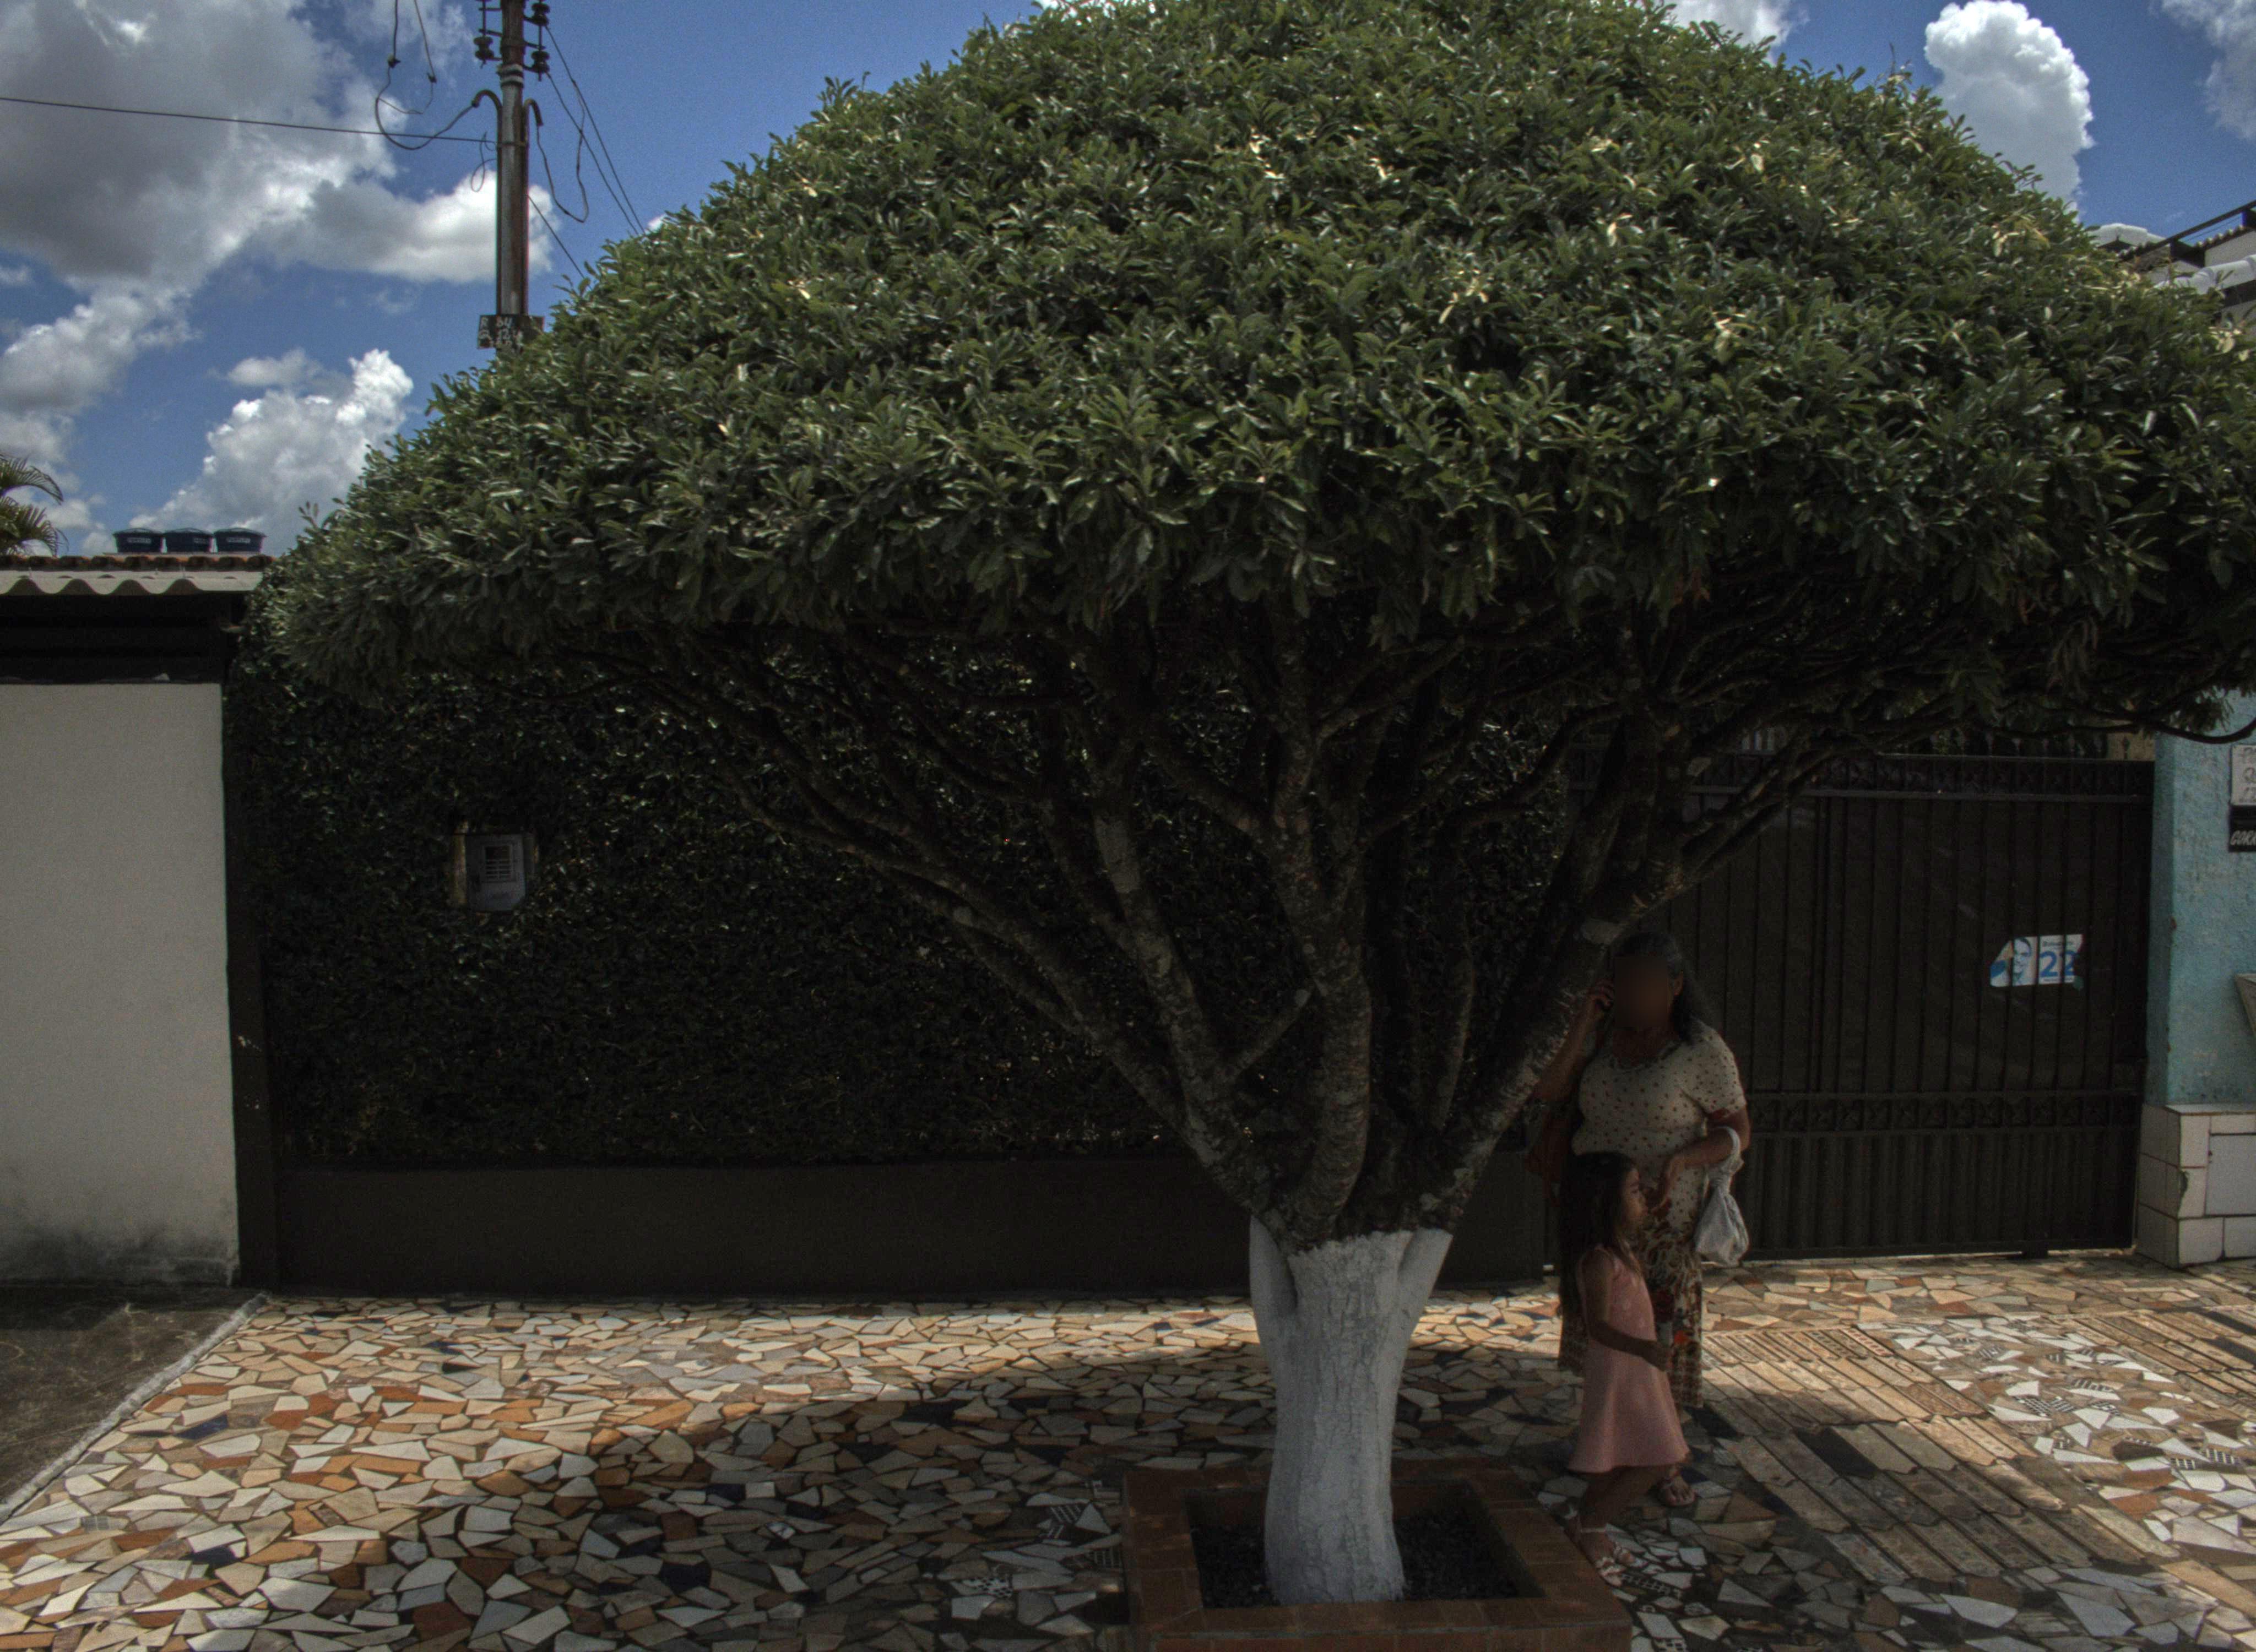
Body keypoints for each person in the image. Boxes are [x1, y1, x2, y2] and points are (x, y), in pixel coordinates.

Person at [1522, 928, 1750, 1509]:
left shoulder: (1701, 1051)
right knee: (1606, 1334)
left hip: (1663, 1221)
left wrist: (1684, 1160)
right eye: (1622, 983)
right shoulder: (1601, 1036)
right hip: (1597, 1217)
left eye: (1646, 984)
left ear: (1675, 987)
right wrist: (1583, 1020)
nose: (1633, 996)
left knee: (1659, 1341)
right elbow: (1548, 1090)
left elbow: (1737, 1131)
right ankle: (1611, 1446)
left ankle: (1660, 1459)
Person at [1557, 1150, 1688, 1577]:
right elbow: (1598, 1326)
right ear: (1605, 1202)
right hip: (1621, 1370)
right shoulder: (1599, 1261)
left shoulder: (1622, 1251)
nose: (1642, 1197)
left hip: (1638, 1370)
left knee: (1620, 1457)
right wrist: (1642, 1348)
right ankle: (1593, 1525)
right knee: (1656, 1457)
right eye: (1633, 1191)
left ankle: (1586, 1526)